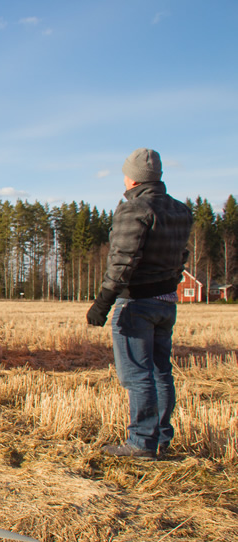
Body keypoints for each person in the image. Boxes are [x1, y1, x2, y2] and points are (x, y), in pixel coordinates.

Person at [86, 148, 192, 460]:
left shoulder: (134, 209)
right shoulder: (180, 211)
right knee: (161, 372)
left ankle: (141, 443)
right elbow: (181, 257)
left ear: (132, 177)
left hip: (137, 305)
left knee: (137, 375)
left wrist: (102, 303)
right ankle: (160, 437)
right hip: (166, 303)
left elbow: (122, 261)